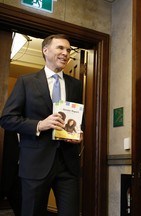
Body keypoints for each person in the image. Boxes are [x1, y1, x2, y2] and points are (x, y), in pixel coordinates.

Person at [0, 34, 83, 216]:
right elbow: (7, 119)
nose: (65, 53)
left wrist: (77, 134)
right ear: (45, 50)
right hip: (35, 163)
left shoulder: (76, 85)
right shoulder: (26, 82)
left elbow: (75, 119)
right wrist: (39, 124)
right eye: (60, 48)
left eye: (68, 50)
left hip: (67, 164)